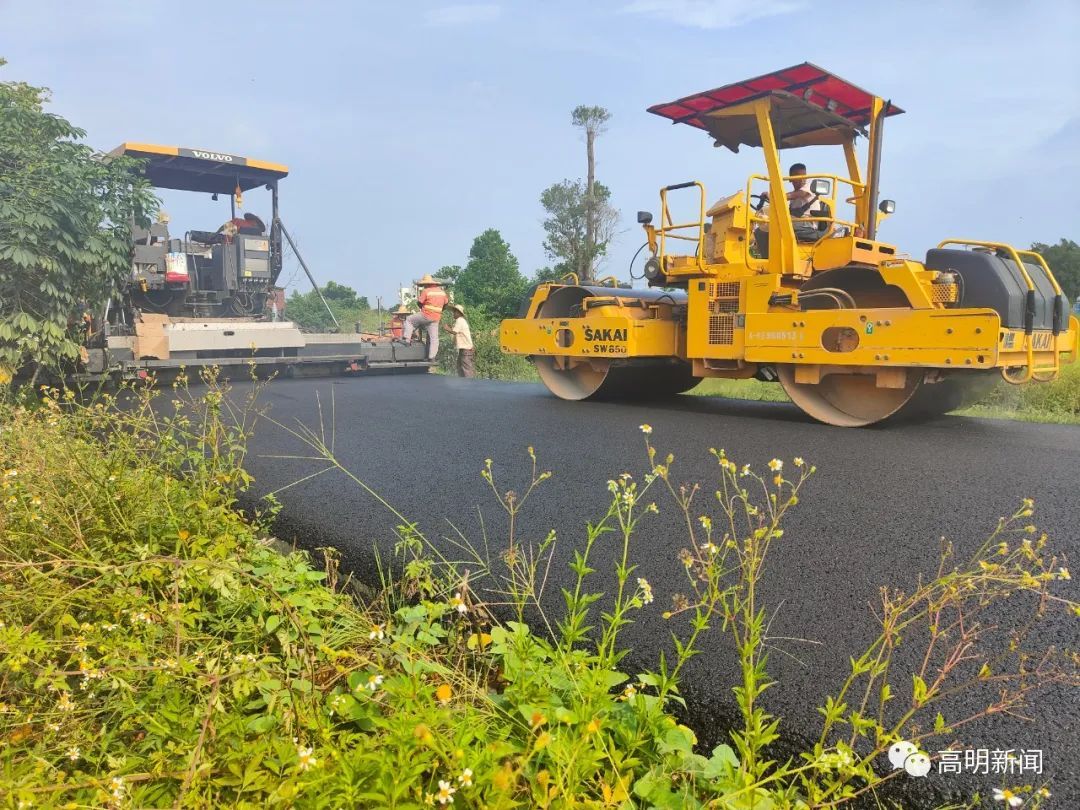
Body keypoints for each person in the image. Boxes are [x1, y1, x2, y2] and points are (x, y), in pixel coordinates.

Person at [753, 163, 830, 255]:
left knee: (774, 226)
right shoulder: (794, 198)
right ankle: (769, 258)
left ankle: (776, 258)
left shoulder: (809, 186)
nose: (802, 179)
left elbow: (798, 194)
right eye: (798, 176)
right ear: (791, 179)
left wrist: (773, 196)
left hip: (806, 224)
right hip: (795, 222)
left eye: (804, 176)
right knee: (760, 230)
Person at [401, 274, 448, 361]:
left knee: (409, 320)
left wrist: (423, 309)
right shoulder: (442, 292)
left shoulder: (426, 291)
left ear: (427, 283)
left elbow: (419, 303)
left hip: (425, 315)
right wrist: (438, 311)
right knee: (434, 338)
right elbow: (445, 304)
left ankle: (407, 340)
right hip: (436, 318)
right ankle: (432, 357)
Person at [443, 303, 475, 378]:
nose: (453, 314)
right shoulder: (461, 321)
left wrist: (447, 328)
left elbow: (454, 332)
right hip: (465, 349)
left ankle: (470, 385)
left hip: (466, 349)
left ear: (458, 313)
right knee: (460, 367)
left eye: (454, 312)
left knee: (466, 369)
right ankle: (464, 384)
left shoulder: (460, 320)